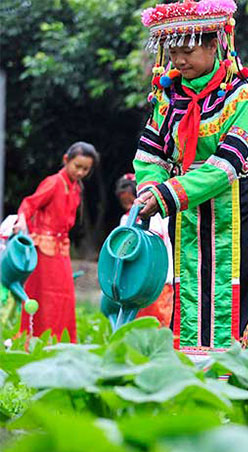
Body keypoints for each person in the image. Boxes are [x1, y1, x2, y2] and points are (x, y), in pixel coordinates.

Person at [132, 0, 248, 357]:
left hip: (235, 204)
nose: (179, 61)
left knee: (231, 284)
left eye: (188, 51)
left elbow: (227, 163)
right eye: (173, 52)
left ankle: (230, 368)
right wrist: (150, 188)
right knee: (188, 282)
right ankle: (191, 364)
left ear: (213, 45)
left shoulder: (240, 96)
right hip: (184, 207)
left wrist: (168, 194)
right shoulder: (167, 97)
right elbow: (151, 154)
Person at [13, 142, 99, 342]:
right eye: (77, 166)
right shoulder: (53, 182)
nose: (80, 172)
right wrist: (22, 220)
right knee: (45, 297)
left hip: (60, 249)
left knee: (64, 297)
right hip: (44, 250)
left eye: (86, 169)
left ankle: (59, 341)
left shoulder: (76, 187)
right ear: (66, 160)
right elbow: (29, 203)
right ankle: (38, 340)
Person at [114, 174, 174, 327]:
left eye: (131, 201)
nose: (130, 206)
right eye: (125, 203)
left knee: (162, 321)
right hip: (140, 281)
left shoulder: (162, 217)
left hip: (163, 277)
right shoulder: (126, 221)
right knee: (142, 322)